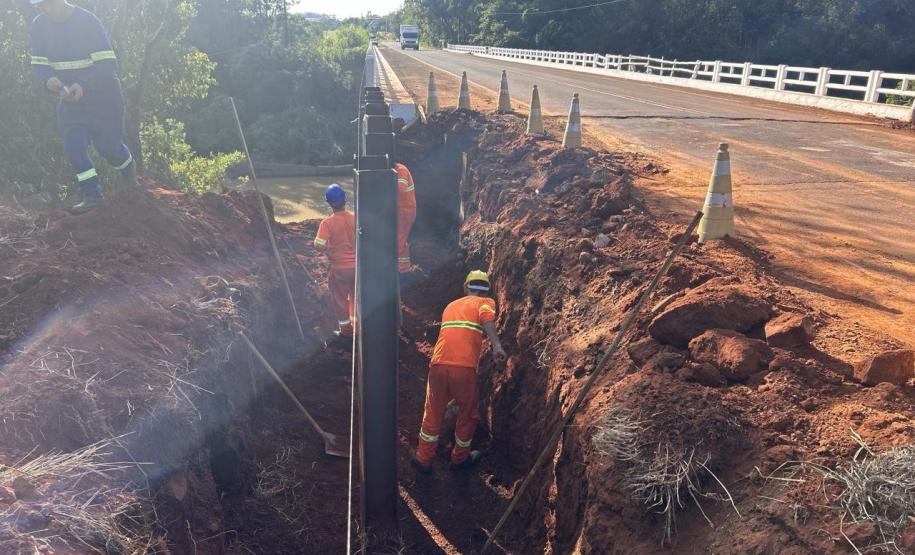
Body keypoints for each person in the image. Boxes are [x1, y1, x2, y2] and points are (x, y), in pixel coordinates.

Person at [29, 0, 137, 215]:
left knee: (108, 147)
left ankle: (128, 169)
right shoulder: (39, 25)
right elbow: (39, 63)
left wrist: (84, 85)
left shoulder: (87, 21)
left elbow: (108, 64)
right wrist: (48, 79)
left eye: (50, 4)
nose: (47, 9)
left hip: (104, 99)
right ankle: (91, 194)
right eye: (42, 6)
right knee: (73, 144)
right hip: (70, 101)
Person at [412, 270, 507, 473]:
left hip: (438, 366)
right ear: (487, 290)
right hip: (463, 369)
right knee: (467, 414)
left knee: (432, 412)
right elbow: (487, 318)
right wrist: (497, 345)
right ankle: (459, 459)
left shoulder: (451, 306)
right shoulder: (486, 302)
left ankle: (423, 459)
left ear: (466, 287)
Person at [314, 184, 356, 348]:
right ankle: (358, 327)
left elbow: (319, 245)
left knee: (340, 300)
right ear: (345, 200)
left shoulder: (327, 223)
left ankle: (346, 332)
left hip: (339, 269)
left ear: (329, 203)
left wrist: (329, 247)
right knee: (356, 298)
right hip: (358, 267)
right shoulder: (356, 217)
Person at [395, 162, 417, 274]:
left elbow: (401, 188)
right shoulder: (397, 170)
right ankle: (402, 267)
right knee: (399, 238)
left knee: (400, 239)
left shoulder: (401, 170)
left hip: (406, 210)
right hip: (402, 209)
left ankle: (403, 269)